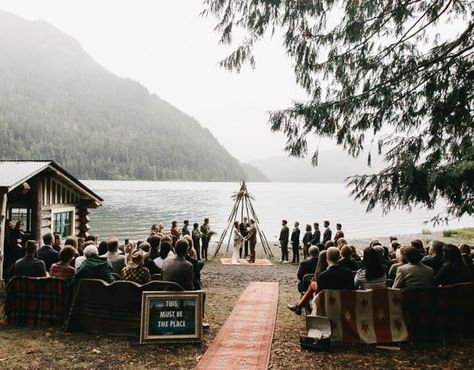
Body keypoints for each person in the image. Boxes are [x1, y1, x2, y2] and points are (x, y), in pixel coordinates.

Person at [288, 247, 353, 315]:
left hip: (327, 303)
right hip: (344, 303)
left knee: (313, 284)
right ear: (339, 257)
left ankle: (299, 306)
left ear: (327, 258)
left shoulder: (323, 275)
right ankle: (299, 306)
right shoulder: (348, 273)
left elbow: (318, 293)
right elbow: (352, 288)